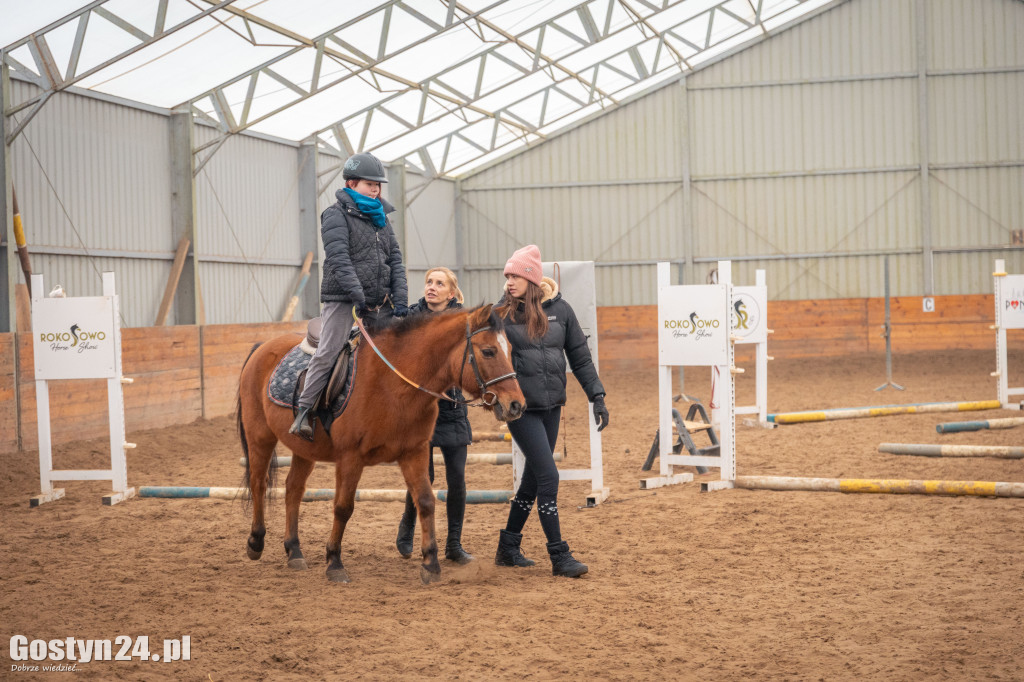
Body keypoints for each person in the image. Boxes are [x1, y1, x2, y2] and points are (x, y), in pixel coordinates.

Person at [492, 244, 609, 578]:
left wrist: (596, 396)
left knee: (531, 480)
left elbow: (580, 357)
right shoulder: (501, 315)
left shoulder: (562, 310)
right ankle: (559, 556)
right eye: (507, 275)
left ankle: (508, 546)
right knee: (548, 476)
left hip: (553, 405)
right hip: (521, 410)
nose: (509, 281)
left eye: (515, 275)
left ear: (532, 278)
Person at [290, 152, 409, 440]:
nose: (376, 189)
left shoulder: (382, 219)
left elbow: (395, 259)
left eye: (378, 185)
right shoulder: (334, 214)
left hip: (381, 302)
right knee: (329, 350)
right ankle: (305, 411)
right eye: (370, 184)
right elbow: (339, 258)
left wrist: (402, 299)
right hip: (344, 300)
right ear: (352, 183)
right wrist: (358, 296)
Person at [394, 267, 475, 564]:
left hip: (452, 410)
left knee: (457, 480)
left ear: (451, 293)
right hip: (417, 412)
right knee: (421, 478)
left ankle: (454, 544)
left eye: (439, 284)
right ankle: (407, 528)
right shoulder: (411, 318)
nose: (432, 287)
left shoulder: (461, 322)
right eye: (429, 282)